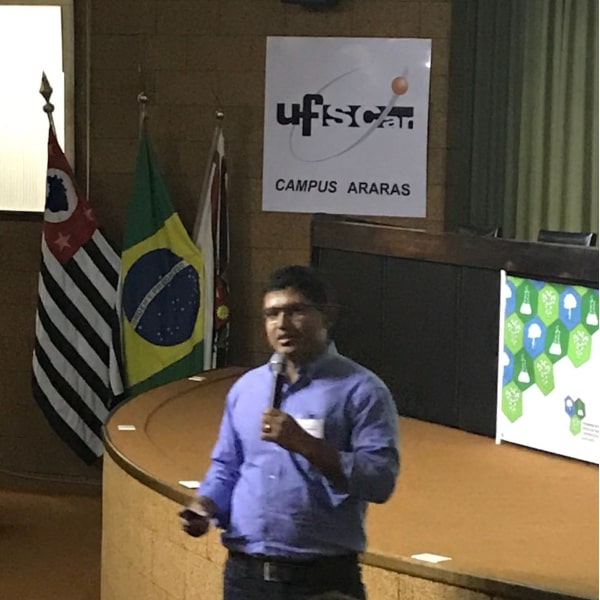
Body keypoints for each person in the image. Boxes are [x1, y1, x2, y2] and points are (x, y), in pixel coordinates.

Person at [180, 264, 400, 600]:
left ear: (326, 316)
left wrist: (305, 444)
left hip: (322, 581)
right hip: (245, 577)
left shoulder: (362, 390)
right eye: (271, 314)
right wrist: (204, 506)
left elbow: (380, 479)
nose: (281, 324)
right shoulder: (247, 389)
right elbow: (226, 467)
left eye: (295, 311)